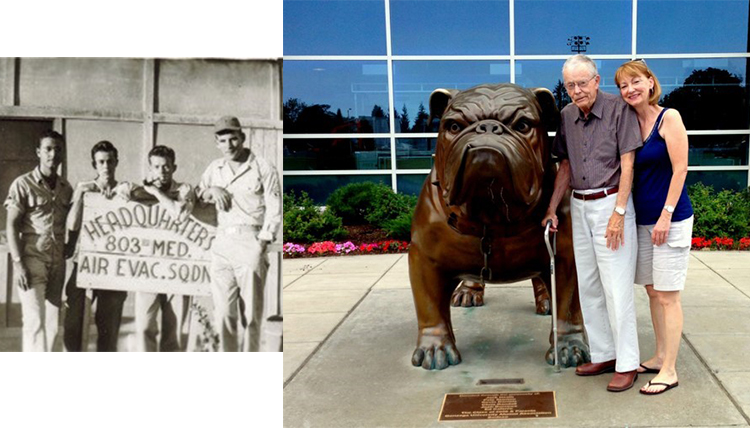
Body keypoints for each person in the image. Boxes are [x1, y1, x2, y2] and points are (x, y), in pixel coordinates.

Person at [542, 54, 642, 392]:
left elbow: (628, 165)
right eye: (570, 85)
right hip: (579, 206)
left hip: (610, 205)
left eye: (582, 83)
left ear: (596, 81)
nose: (576, 90)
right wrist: (553, 208)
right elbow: (565, 168)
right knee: (588, 285)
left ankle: (628, 363)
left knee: (616, 288)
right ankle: (604, 353)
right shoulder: (567, 116)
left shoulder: (619, 110)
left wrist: (619, 212)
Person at [615, 60, 693, 395]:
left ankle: (670, 370)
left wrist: (666, 215)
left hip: (670, 220)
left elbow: (680, 170)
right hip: (642, 219)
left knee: (668, 295)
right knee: (651, 290)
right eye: (622, 86)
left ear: (650, 82)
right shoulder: (630, 122)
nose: (630, 89)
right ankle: (660, 354)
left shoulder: (669, 117)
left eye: (635, 81)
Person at [197, 116, 281, 352]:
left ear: (242, 138)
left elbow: (275, 207)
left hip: (250, 241)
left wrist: (262, 242)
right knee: (223, 313)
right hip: (222, 243)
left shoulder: (262, 166)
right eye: (223, 140)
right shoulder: (215, 169)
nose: (229, 145)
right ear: (217, 143)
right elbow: (197, 193)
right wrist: (210, 190)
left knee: (251, 316)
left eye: (233, 139)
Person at [4, 130, 73, 351]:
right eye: (48, 149)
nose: (53, 154)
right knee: (34, 322)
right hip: (32, 260)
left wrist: (69, 247)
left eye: (58, 149)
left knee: (52, 324)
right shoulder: (23, 184)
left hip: (57, 262)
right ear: (38, 152)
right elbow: (12, 224)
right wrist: (18, 263)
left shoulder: (66, 187)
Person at [63, 140, 133, 352]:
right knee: (73, 323)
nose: (106, 166)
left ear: (116, 162)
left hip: (113, 266)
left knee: (108, 330)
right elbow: (72, 225)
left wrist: (127, 194)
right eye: (101, 162)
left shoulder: (124, 190)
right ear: (94, 164)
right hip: (84, 262)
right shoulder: (86, 189)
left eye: (110, 161)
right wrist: (80, 197)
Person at [133, 145, 195, 351]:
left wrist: (157, 193)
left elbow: (180, 213)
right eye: (157, 166)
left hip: (178, 270)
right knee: (143, 328)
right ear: (150, 168)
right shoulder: (141, 191)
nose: (161, 171)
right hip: (148, 269)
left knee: (174, 335)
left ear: (174, 167)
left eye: (166, 166)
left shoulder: (184, 190)